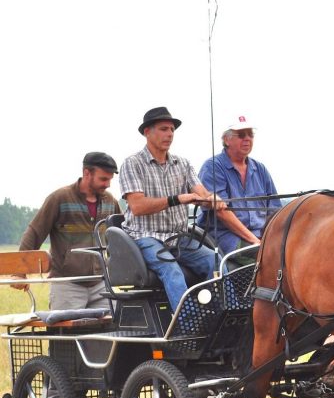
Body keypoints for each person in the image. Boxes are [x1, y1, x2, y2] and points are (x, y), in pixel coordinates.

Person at [119, 106, 226, 310]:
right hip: (145, 236)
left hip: (178, 236)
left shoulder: (182, 164)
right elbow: (138, 206)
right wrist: (177, 199)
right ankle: (187, 326)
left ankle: (227, 315)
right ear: (147, 132)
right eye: (163, 129)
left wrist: (213, 199)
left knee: (216, 262)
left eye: (172, 130)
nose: (169, 134)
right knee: (172, 270)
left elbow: (201, 193)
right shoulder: (132, 164)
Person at [12, 152, 122, 310]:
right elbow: (35, 232)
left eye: (110, 179)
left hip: (101, 284)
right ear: (86, 173)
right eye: (103, 179)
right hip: (66, 285)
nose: (107, 184)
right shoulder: (59, 198)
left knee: (110, 330)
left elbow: (120, 236)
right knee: (65, 333)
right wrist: (20, 271)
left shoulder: (111, 202)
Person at [196, 115, 281, 260]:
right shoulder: (212, 167)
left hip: (259, 235)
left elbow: (275, 211)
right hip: (225, 236)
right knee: (268, 258)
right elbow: (222, 213)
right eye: (241, 135)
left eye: (250, 135)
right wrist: (255, 241)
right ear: (226, 140)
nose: (247, 139)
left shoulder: (260, 169)